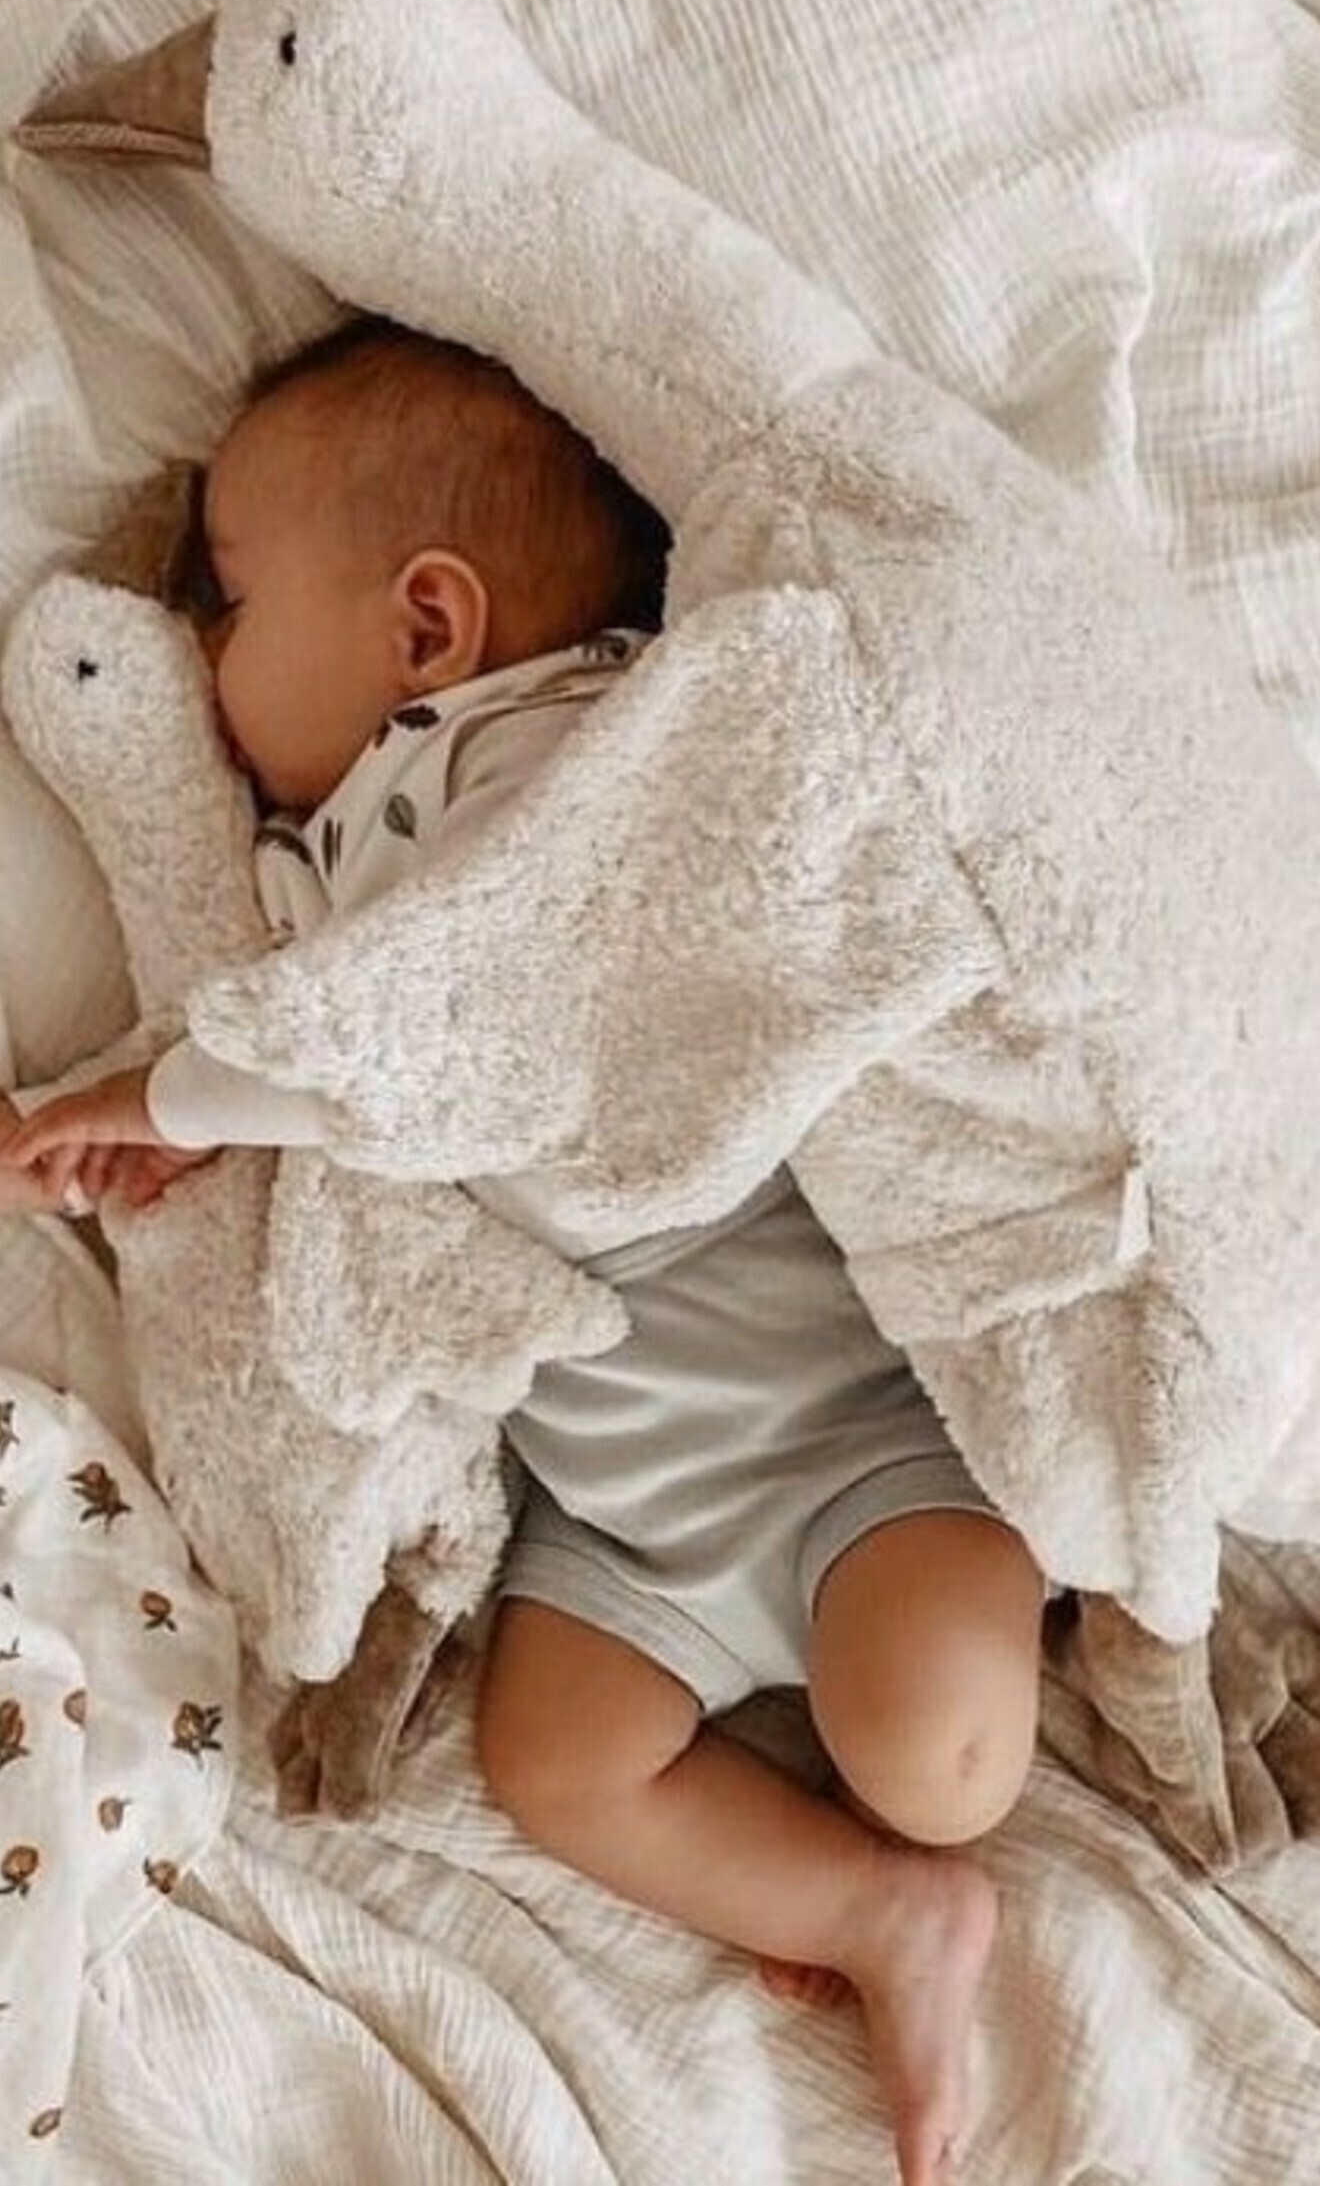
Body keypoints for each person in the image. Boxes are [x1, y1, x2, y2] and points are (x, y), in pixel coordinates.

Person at [0, 317, 1047, 2186]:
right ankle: (885, 1911)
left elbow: (438, 1020)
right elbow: (320, 1071)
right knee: (554, 1760)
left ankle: (965, 1728)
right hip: (616, 1500)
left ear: (427, 623)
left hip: (845, 1430)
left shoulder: (558, 764)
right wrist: (168, 1118)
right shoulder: (323, 858)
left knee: (940, 1753)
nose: (206, 647)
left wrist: (174, 1097)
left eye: (233, 600)